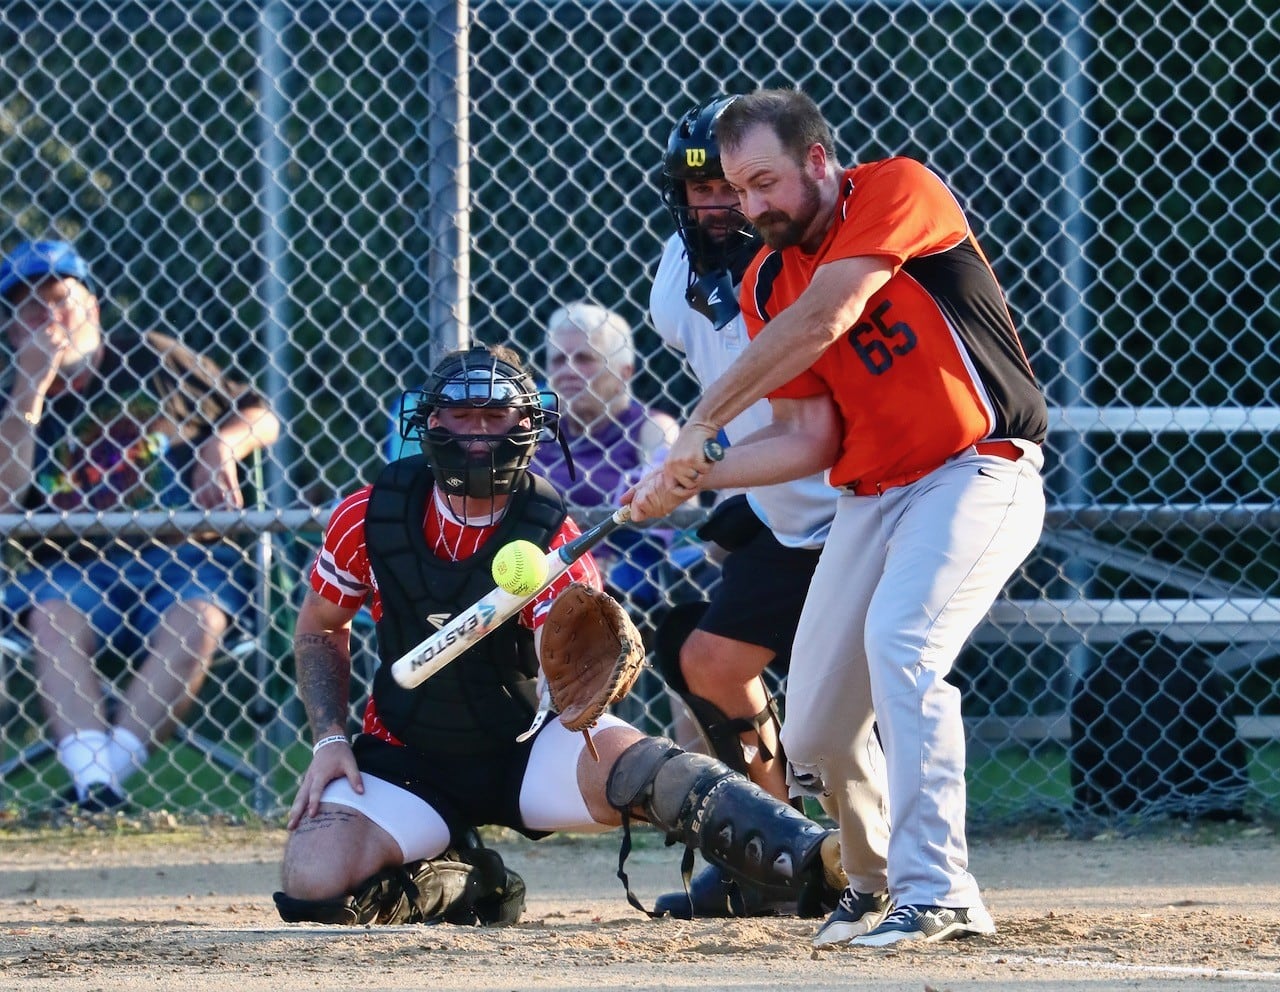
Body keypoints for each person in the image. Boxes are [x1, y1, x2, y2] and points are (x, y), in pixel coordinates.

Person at [627, 88, 1049, 947]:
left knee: (904, 645)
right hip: (870, 495)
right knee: (816, 730)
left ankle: (942, 891)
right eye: (737, 191)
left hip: (975, 471)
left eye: (763, 182)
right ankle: (874, 883)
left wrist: (704, 420)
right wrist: (693, 475)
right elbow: (807, 437)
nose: (749, 207)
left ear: (818, 160)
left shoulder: (896, 190)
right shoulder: (765, 278)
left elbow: (831, 315)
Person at [274, 343, 843, 927]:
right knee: (313, 885)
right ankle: (471, 883)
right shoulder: (370, 517)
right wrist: (329, 739)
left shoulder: (549, 535)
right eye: (462, 417)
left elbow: (567, 651)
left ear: (528, 426)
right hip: (405, 753)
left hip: (529, 746)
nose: (477, 435)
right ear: (430, 422)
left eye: (496, 418)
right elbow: (320, 627)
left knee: (649, 769)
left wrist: (578, 674)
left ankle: (812, 858)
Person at [645, 96, 891, 932]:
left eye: (735, 187)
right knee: (710, 660)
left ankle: (896, 861)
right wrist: (703, 475)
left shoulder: (809, 264)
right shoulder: (675, 283)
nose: (717, 205)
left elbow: (820, 410)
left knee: (865, 697)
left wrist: (699, 465)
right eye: (700, 190)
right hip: (779, 506)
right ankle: (782, 855)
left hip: (865, 499)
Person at [0, 239, 280, 812]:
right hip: (69, 569)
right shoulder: (9, 399)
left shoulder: (149, 357)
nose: (47, 318)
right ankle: (100, 788)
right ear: (10, 330)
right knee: (52, 619)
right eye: (29, 309)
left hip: (182, 559)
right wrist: (29, 389)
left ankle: (94, 786)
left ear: (93, 309)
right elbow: (5, 501)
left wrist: (221, 447)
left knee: (198, 617)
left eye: (59, 300)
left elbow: (261, 415)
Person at [528, 302, 683, 611]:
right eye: (558, 360)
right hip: (533, 570)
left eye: (584, 359)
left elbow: (671, 515)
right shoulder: (533, 428)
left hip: (621, 586)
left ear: (624, 372)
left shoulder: (650, 428)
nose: (568, 371)